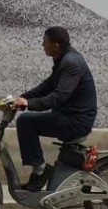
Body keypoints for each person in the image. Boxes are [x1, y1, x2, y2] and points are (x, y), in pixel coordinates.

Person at [13, 26, 97, 192]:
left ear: (56, 45)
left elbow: (58, 97)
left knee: (25, 121)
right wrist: (22, 97)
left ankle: (40, 170)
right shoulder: (64, 59)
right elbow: (48, 85)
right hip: (69, 116)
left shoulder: (71, 64)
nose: (42, 45)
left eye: (45, 42)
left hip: (76, 121)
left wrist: (28, 104)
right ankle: (41, 171)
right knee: (28, 120)